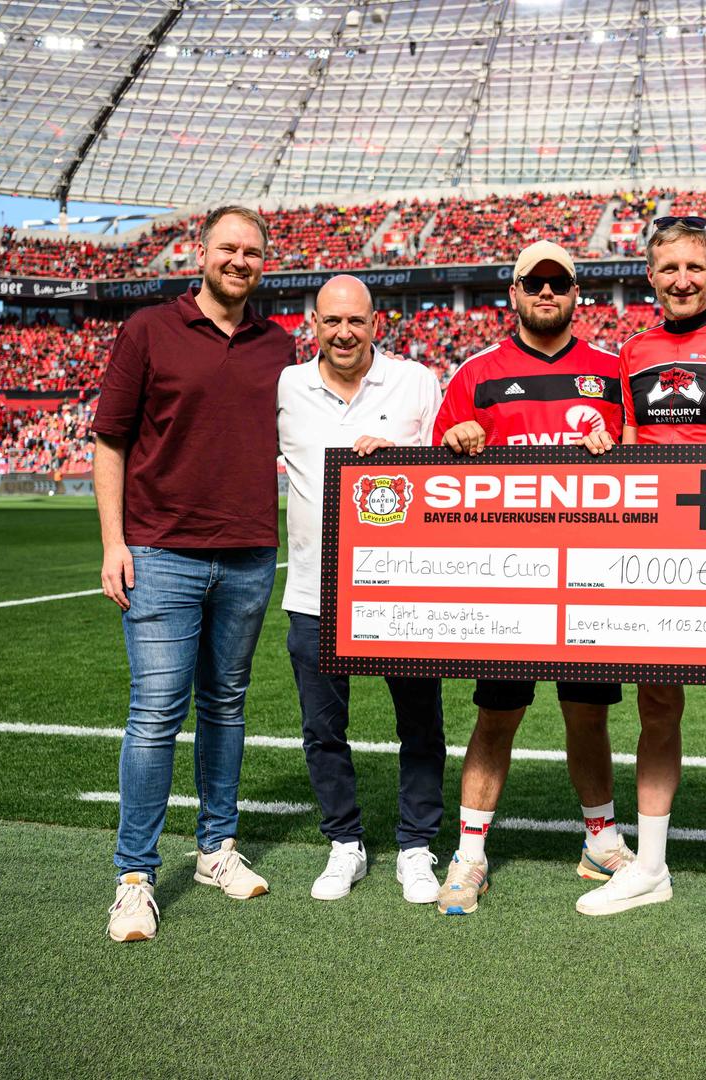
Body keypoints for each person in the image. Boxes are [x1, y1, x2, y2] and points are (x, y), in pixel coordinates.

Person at [575, 215, 706, 942]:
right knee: (656, 710)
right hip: (655, 559)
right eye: (668, 269)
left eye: (694, 267)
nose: (682, 280)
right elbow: (634, 455)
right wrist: (608, 447)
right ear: (651, 275)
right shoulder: (632, 354)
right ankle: (652, 867)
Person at [93, 206, 295, 943]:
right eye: (228, 248)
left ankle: (215, 849)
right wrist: (114, 542)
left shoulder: (282, 344)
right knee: (154, 715)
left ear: (264, 263)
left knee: (227, 707)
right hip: (160, 554)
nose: (239, 261)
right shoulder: (149, 329)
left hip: (248, 553)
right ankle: (135, 877)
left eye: (252, 252)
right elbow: (110, 441)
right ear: (201, 252)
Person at [430, 241, 636, 916]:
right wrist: (456, 444)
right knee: (497, 718)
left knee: (588, 716)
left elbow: (645, 469)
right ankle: (469, 853)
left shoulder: (613, 373)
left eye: (560, 282)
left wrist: (620, 451)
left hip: (590, 578)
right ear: (512, 292)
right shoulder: (476, 374)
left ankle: (601, 839)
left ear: (579, 293)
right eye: (534, 282)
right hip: (509, 583)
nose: (547, 293)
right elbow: (435, 475)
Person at [278, 275, 447, 907]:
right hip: (313, 592)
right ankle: (344, 842)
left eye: (356, 320)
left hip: (402, 592)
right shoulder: (288, 387)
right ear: (313, 324)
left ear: (376, 322)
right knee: (323, 729)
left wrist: (400, 454)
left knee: (421, 726)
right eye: (331, 321)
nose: (344, 332)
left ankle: (415, 846)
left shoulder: (417, 381)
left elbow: (448, 471)